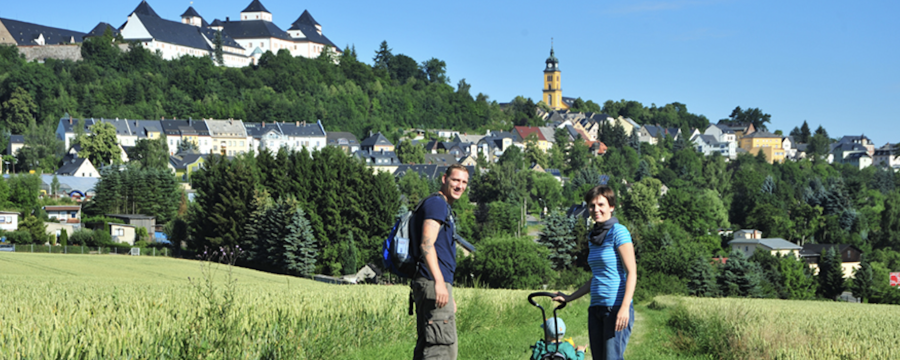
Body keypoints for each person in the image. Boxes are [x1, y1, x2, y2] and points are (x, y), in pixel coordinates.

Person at [553, 185, 637, 360]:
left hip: (615, 307)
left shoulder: (618, 232)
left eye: (601, 204)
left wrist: (624, 308)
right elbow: (597, 278)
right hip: (596, 308)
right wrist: (569, 297)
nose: (596, 209)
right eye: (592, 205)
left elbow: (632, 272)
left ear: (611, 207)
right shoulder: (594, 237)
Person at [411, 164, 469, 360]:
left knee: (430, 345)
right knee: (440, 350)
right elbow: (426, 244)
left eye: (464, 182)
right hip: (432, 282)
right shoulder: (437, 204)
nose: (460, 186)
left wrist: (445, 288)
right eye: (455, 180)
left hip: (433, 283)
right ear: (444, 179)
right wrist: (438, 282)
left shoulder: (440, 205)